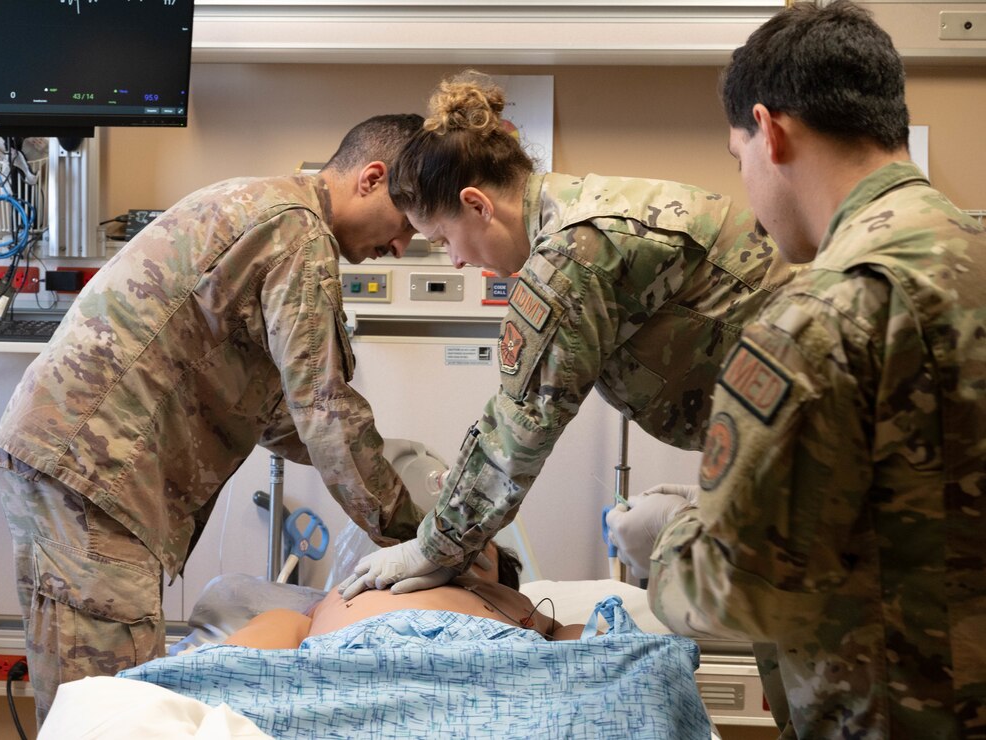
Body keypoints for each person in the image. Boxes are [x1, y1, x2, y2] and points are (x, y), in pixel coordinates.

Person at [606, 2, 986, 737]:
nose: (746, 191)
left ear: (771, 131)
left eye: (736, 155)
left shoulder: (819, 314)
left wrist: (675, 537)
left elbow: (733, 588)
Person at [0, 113, 429, 725]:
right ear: (371, 179)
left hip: (84, 468)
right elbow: (324, 412)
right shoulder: (296, 233)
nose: (403, 246)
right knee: (112, 721)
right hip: (95, 476)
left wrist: (389, 464)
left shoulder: (267, 208)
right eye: (407, 223)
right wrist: (424, 539)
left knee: (109, 709)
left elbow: (281, 411)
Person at [339, 70, 795, 598]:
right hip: (787, 444)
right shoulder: (575, 211)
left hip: (806, 451)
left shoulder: (571, 255)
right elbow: (507, 412)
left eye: (444, 239)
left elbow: (518, 429)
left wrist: (434, 547)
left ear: (478, 206)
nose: (458, 261)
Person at [227, 543, 585, 649]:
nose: (448, 554)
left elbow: (577, 637)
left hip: (489, 648)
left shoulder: (511, 603)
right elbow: (283, 627)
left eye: (473, 556)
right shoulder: (346, 594)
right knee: (279, 622)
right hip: (350, 651)